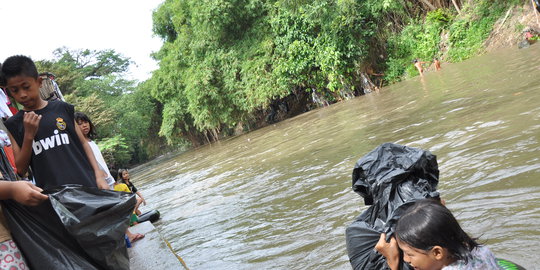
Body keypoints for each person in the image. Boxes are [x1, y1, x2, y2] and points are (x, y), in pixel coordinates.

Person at [1, 55, 109, 190]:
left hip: (87, 184)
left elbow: (83, 143)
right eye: (15, 90)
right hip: (54, 196)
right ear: (9, 92)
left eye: (26, 87)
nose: (22, 94)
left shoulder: (62, 108)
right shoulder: (14, 124)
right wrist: (29, 135)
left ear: (39, 82)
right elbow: (21, 170)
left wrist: (98, 174)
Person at [375, 199, 499, 270]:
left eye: (409, 254)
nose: (406, 259)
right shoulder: (480, 251)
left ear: (437, 253)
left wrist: (393, 263)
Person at [74, 112, 115, 189]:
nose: (84, 125)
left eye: (86, 122)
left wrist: (109, 177)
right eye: (80, 124)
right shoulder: (80, 146)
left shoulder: (91, 142)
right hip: (100, 181)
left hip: (108, 179)